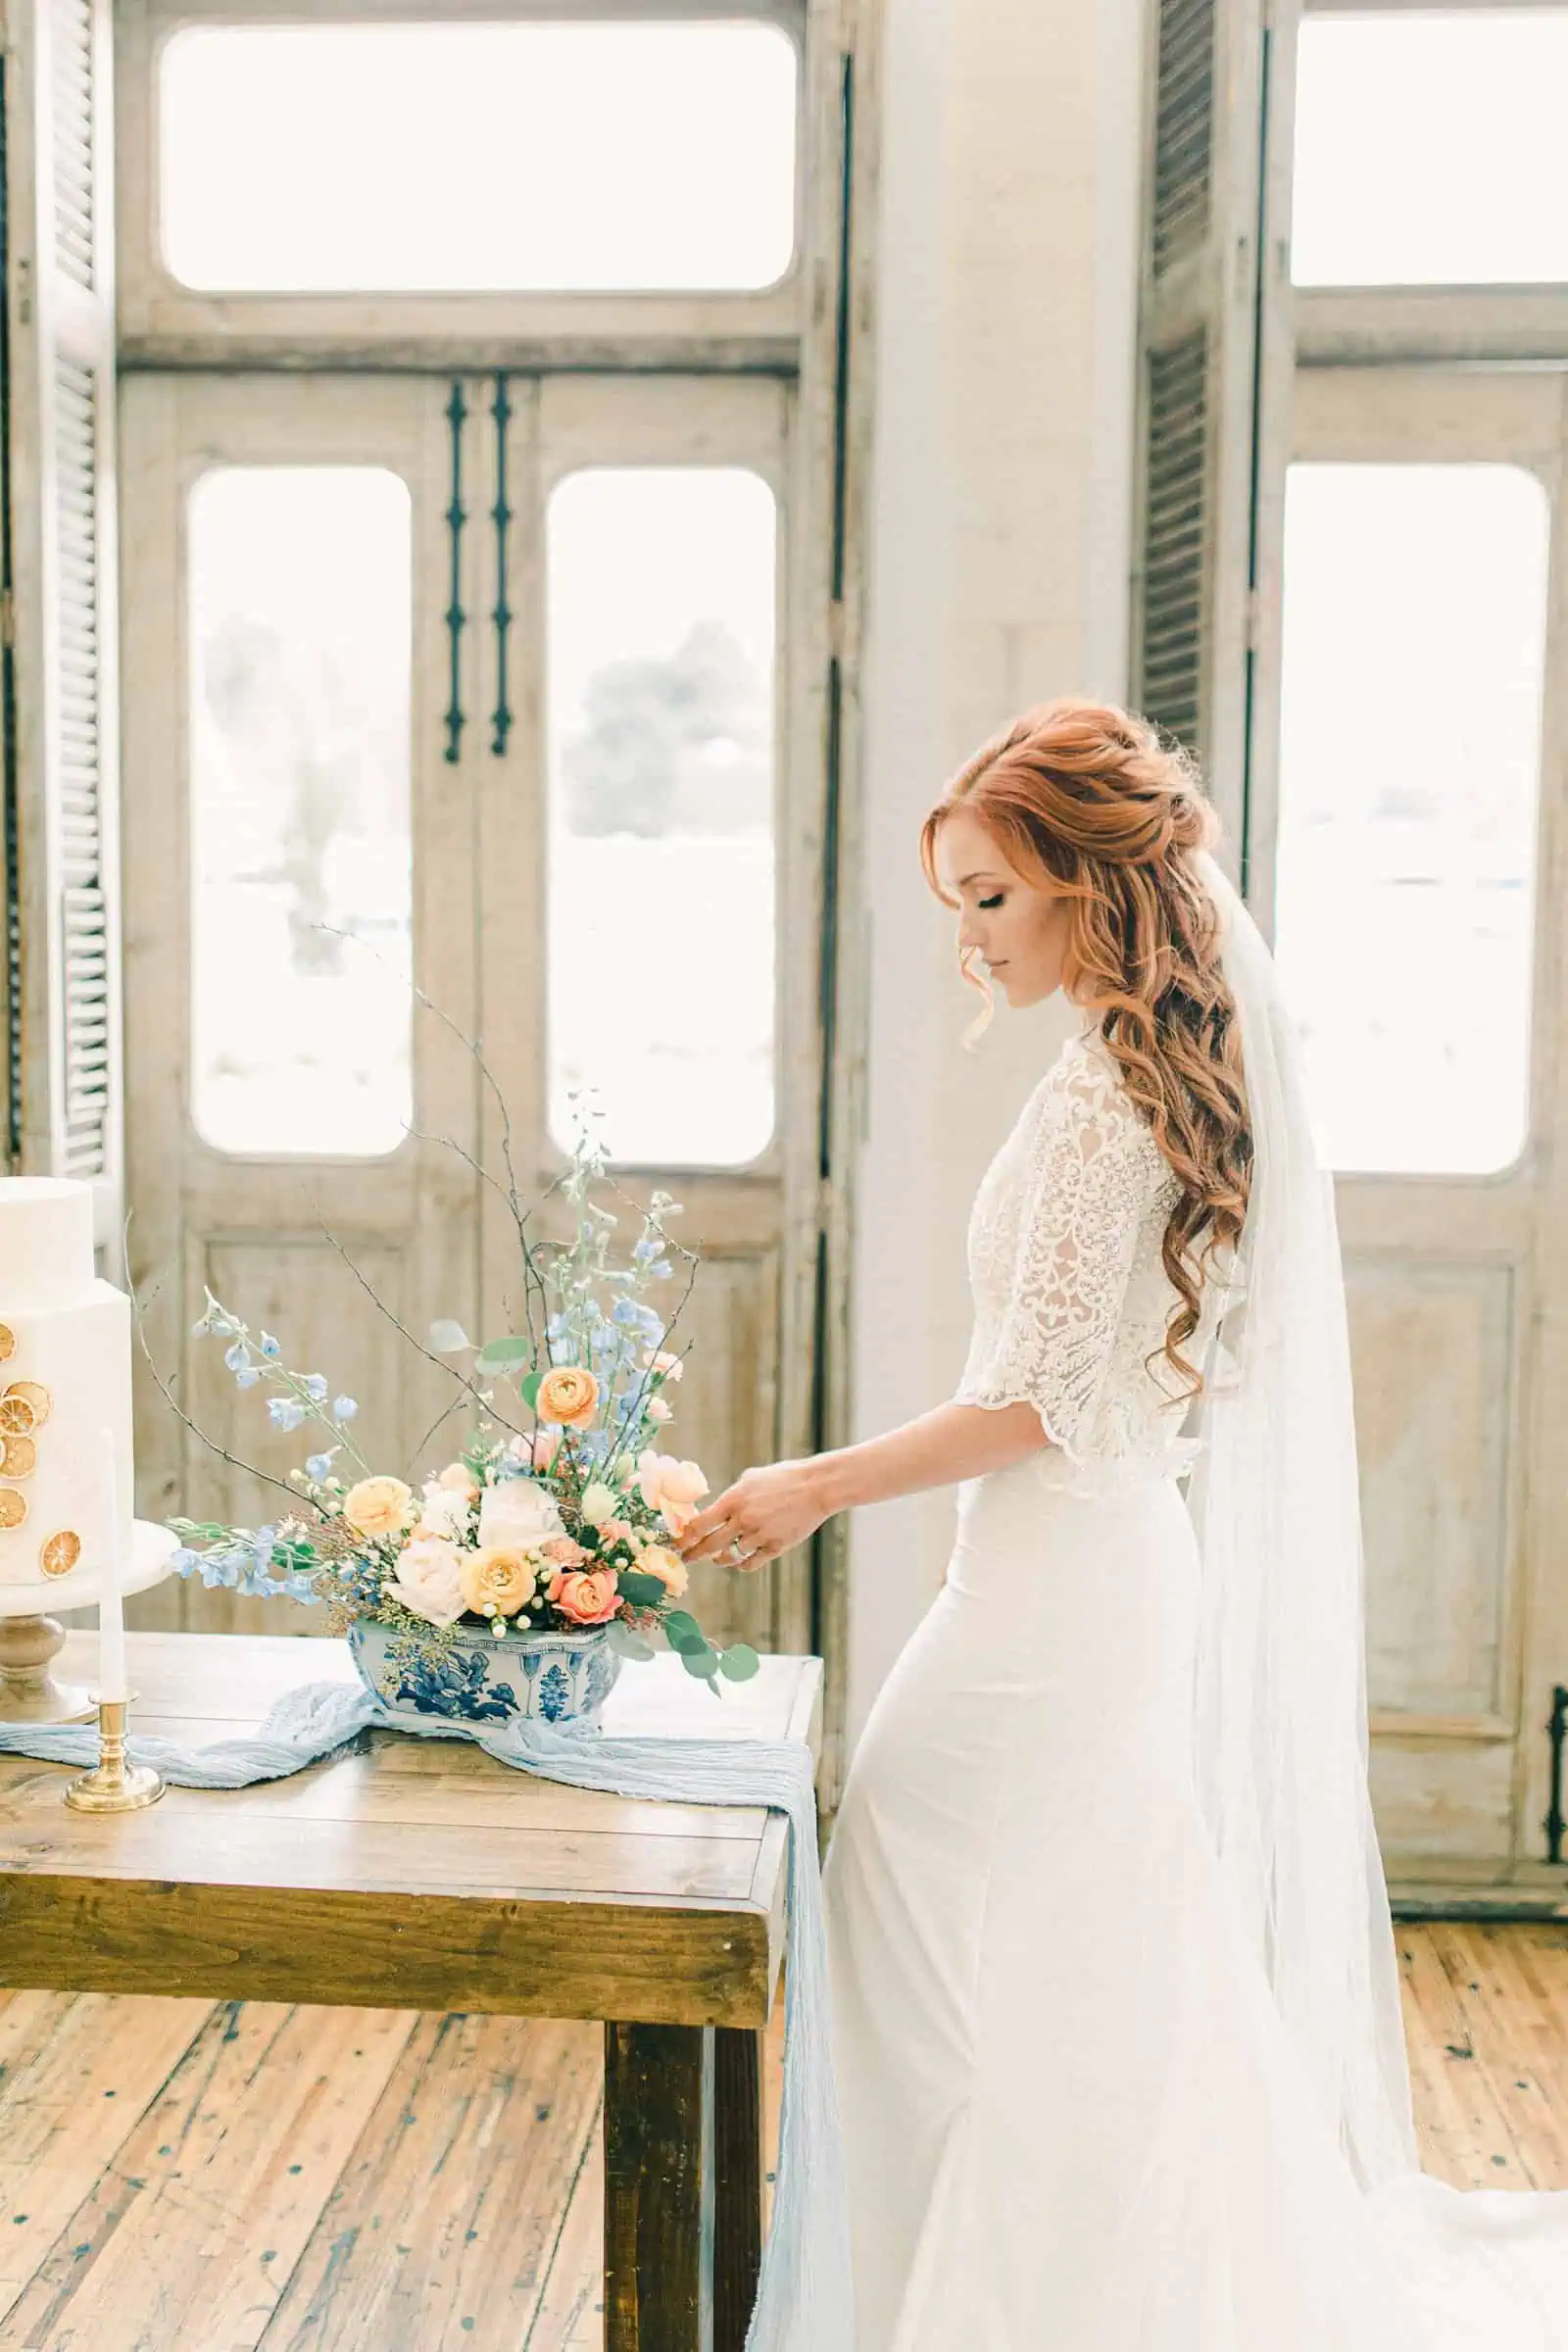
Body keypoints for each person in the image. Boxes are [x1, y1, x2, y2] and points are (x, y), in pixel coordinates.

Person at [677, 697, 1568, 2349]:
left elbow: (1042, 1404)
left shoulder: (1108, 1101)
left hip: (1057, 1596)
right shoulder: (1122, 1071)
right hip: (1067, 1574)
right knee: (1079, 1946)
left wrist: (809, 1488)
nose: (970, 936)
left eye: (991, 894)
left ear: (1094, 882)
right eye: (954, 899)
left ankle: (988, 2300)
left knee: (939, 1916)